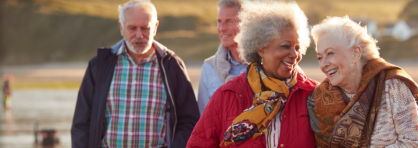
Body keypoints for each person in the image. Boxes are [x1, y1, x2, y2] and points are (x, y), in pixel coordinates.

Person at [187, 1, 317, 148]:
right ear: (261, 48)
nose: (295, 54)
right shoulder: (226, 94)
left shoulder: (313, 94)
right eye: (286, 46)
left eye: (298, 47)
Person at [71, 1, 199, 147]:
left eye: (145, 28)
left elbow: (188, 121)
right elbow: (81, 124)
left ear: (155, 27)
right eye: (132, 28)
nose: (139, 35)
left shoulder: (172, 66)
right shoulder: (99, 66)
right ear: (121, 27)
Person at [308, 16, 418, 148]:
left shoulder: (392, 87)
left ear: (355, 53)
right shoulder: (318, 99)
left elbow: (414, 143)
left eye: (330, 53)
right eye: (320, 58)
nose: (324, 64)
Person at [197, 0, 248, 115]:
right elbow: (203, 120)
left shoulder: (266, 65)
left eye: (229, 21)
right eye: (219, 22)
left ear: (246, 24)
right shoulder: (209, 68)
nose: (222, 28)